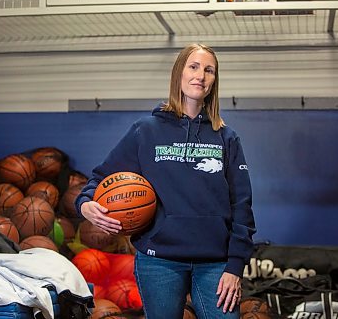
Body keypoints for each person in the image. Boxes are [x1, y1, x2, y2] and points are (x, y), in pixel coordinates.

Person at [75, 43, 256, 319]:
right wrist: (85, 203)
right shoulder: (146, 131)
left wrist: (234, 267)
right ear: (178, 74)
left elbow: (242, 205)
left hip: (216, 263)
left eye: (209, 70)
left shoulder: (226, 137)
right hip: (159, 260)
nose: (201, 76)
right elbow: (101, 177)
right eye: (193, 67)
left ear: (214, 81)